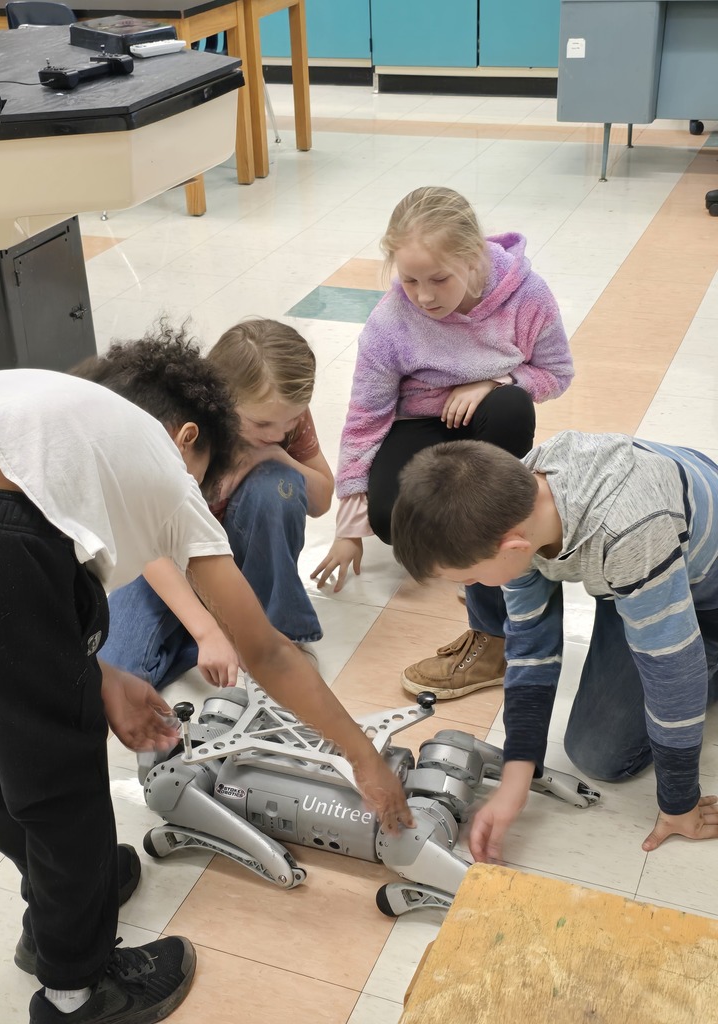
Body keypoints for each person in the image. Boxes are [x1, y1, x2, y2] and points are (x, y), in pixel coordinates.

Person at [0, 339, 411, 1024]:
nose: (195, 486)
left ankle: (54, 908)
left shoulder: (48, 397)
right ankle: (78, 990)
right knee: (62, 790)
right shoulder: (164, 460)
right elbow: (269, 652)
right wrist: (362, 754)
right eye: (204, 471)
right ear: (187, 436)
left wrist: (97, 672)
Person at [390, 431, 718, 863]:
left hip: (697, 577)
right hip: (647, 562)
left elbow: (672, 671)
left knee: (642, 716)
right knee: (594, 752)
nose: (468, 589)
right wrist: (516, 777)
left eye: (468, 578)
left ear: (513, 547)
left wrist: (679, 801)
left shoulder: (630, 534)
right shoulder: (516, 501)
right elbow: (531, 648)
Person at [310, 186, 574, 701]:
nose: (424, 296)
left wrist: (497, 382)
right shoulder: (390, 322)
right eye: (409, 280)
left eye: (438, 279)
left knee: (511, 406)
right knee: (395, 520)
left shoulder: (528, 295)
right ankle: (461, 555)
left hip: (488, 415)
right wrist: (349, 528)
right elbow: (365, 416)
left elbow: (557, 374)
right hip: (419, 422)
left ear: (474, 259)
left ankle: (487, 559)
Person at [101, 317, 332, 691]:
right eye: (262, 424)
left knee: (280, 487)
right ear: (221, 399)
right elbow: (150, 548)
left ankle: (278, 634)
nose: (276, 433)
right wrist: (206, 631)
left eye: (287, 424)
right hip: (169, 562)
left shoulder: (281, 415)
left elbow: (321, 499)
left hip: (241, 563)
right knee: (118, 672)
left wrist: (274, 455)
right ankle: (217, 628)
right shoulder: (177, 426)